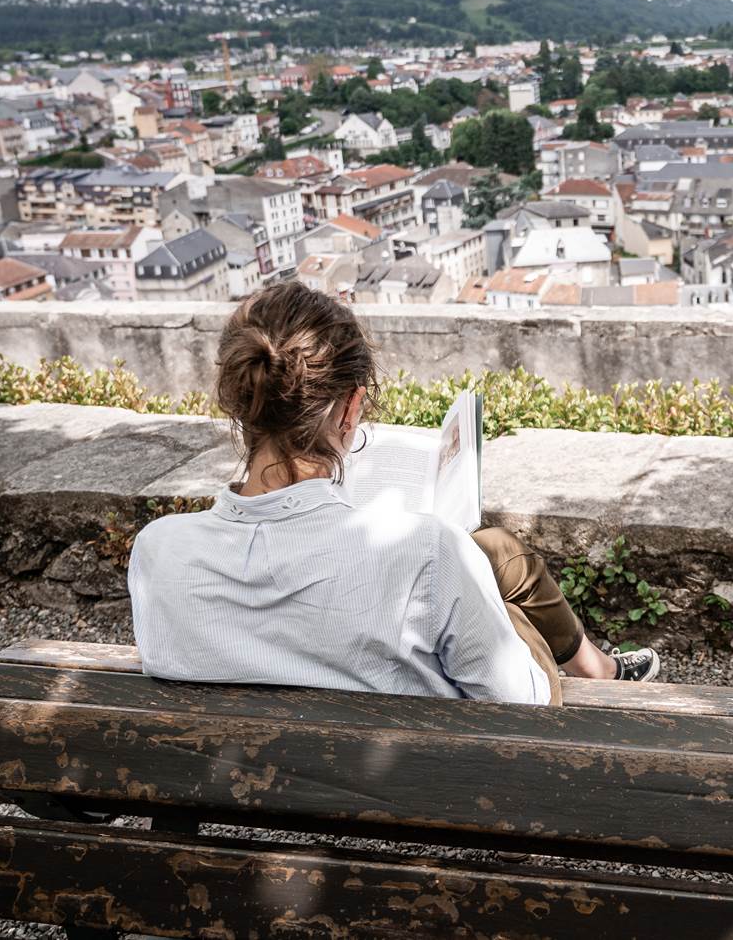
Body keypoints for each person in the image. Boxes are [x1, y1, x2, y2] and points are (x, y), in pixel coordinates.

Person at [128, 282, 659, 705]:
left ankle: (603, 667)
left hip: (232, 789)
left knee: (490, 551)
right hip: (420, 795)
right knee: (485, 570)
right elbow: (521, 708)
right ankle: (604, 675)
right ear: (351, 408)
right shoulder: (426, 553)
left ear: (239, 401)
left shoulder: (158, 552)